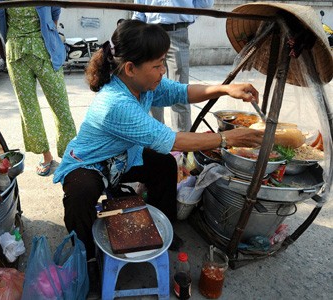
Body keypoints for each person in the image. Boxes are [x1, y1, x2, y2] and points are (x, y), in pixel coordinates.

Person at [53, 19, 263, 263]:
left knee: (164, 165)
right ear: (130, 68)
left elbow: (181, 92)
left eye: (163, 61)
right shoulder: (115, 104)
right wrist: (227, 138)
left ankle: (164, 226)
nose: (163, 69)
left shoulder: (144, 84)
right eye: (157, 64)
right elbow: (172, 140)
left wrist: (225, 89)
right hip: (90, 163)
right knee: (80, 194)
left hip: (122, 158)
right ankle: (86, 256)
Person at [0, 2, 77, 176]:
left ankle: (69, 155)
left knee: (60, 104)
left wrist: (49, 35)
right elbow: (1, 16)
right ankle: (46, 156)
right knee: (28, 108)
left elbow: (55, 11)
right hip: (16, 51)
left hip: (44, 48)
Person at [132, 0, 214, 132]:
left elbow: (205, 3)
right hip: (149, 33)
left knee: (180, 91)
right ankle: (154, 139)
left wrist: (187, 15)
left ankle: (183, 145)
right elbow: (139, 11)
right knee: (150, 89)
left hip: (177, 32)